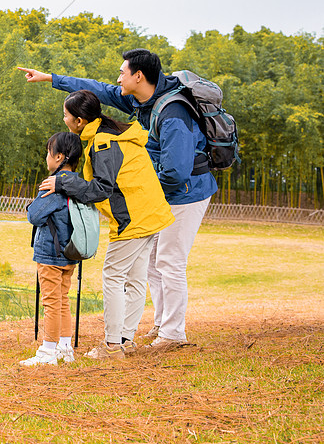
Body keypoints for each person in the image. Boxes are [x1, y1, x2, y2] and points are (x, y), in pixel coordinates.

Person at [18, 49, 218, 350]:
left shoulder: (171, 113)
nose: (117, 78)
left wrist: (137, 189)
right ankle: (140, 333)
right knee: (148, 267)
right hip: (151, 203)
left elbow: (175, 172)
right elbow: (97, 90)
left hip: (186, 192)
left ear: (139, 76)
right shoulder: (138, 100)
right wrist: (51, 78)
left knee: (164, 263)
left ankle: (157, 336)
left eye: (122, 73)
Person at [38, 90, 174, 359]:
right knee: (135, 279)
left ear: (79, 120)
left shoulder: (103, 142)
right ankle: (124, 339)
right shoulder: (111, 134)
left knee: (113, 277)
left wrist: (62, 182)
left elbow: (101, 188)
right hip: (150, 213)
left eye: (65, 115)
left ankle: (112, 346)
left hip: (133, 218)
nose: (63, 119)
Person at [20, 132, 83, 366]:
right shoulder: (78, 184)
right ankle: (65, 349)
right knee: (63, 300)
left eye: (48, 152)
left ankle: (47, 352)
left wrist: (33, 204)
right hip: (70, 253)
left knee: (51, 302)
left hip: (50, 254)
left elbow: (34, 215)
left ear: (58, 157)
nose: (46, 157)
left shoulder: (52, 185)